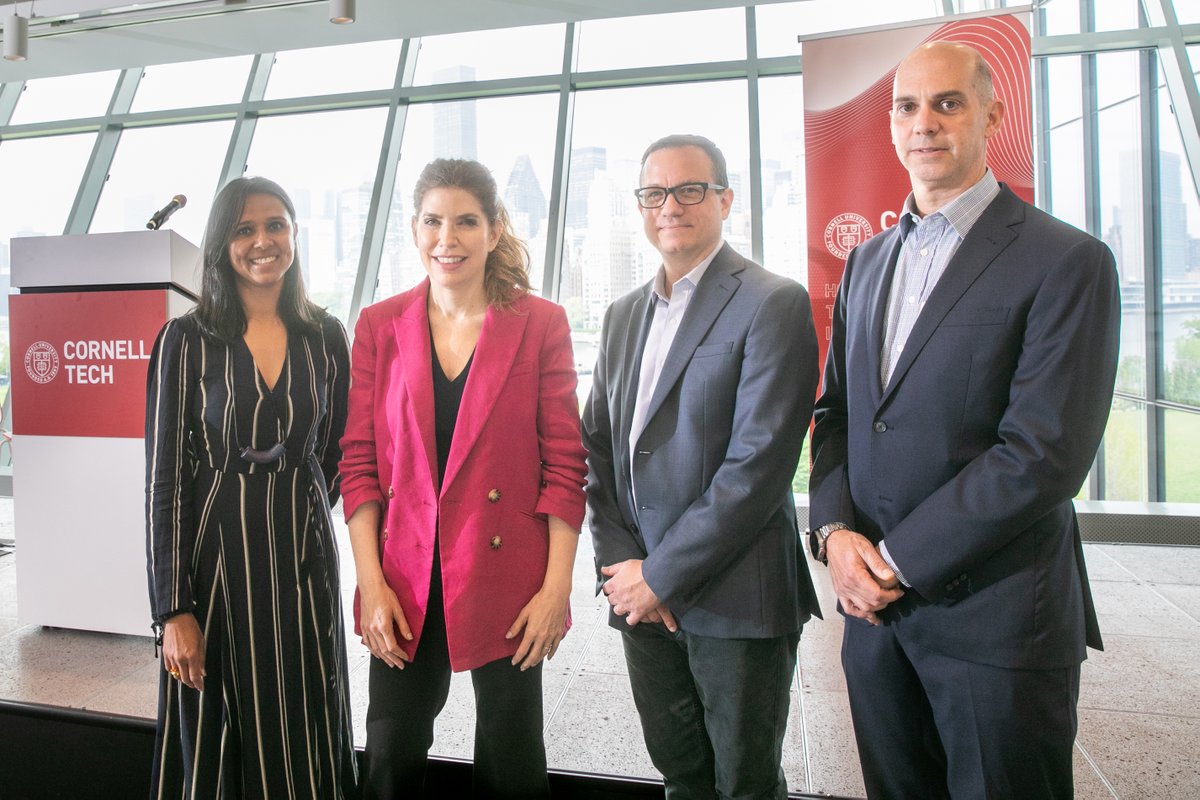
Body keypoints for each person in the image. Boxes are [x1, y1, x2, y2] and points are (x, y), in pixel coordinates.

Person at [808, 42, 1121, 799]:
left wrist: (892, 564)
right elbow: (839, 416)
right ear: (889, 124)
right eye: (907, 106)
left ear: (992, 113)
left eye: (948, 103)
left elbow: (1042, 454)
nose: (925, 123)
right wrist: (832, 533)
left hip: (998, 623)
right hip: (875, 628)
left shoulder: (1066, 260)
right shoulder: (867, 263)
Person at [582, 133, 822, 799]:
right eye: (655, 193)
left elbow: (759, 465)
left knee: (744, 781)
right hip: (638, 597)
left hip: (735, 597)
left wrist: (661, 574)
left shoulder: (772, 301)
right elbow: (597, 452)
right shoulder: (623, 315)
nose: (671, 206)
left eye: (690, 190)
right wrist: (624, 571)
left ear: (724, 199)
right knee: (681, 774)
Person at [340, 158, 587, 799]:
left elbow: (565, 467)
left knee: (511, 757)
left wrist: (557, 587)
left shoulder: (541, 325)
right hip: (404, 579)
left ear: (495, 228)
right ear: (414, 228)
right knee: (390, 755)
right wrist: (371, 584)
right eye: (432, 221)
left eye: (466, 221)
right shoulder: (377, 326)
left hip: (506, 577)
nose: (447, 238)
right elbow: (360, 467)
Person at [145, 176, 357, 798]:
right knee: (218, 732)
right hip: (213, 569)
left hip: (302, 563)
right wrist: (171, 610)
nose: (263, 241)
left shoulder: (326, 336)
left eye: (276, 225)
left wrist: (303, 507)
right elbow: (164, 480)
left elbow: (338, 451)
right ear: (221, 244)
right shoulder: (185, 341)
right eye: (244, 229)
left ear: (294, 234)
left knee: (310, 712)